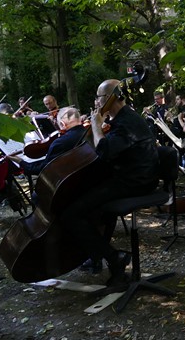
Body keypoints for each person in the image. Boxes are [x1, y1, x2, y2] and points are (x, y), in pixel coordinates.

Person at [59, 79, 160, 286]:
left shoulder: (126, 122)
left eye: (98, 97)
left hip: (135, 182)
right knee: (92, 203)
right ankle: (98, 255)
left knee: (72, 213)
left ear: (110, 98)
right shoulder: (123, 119)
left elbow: (104, 152)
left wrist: (96, 125)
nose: (96, 102)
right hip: (131, 176)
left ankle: (114, 259)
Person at [7, 107, 86, 177]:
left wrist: (20, 162)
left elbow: (44, 169)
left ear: (62, 124)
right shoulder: (90, 131)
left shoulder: (60, 143)